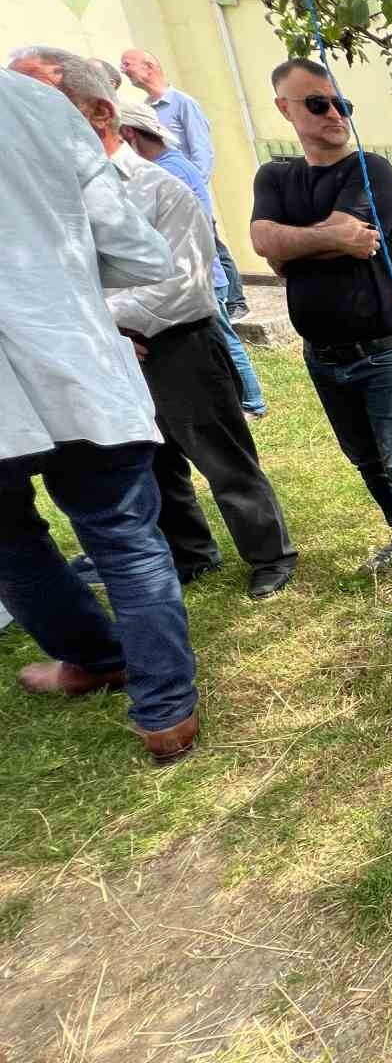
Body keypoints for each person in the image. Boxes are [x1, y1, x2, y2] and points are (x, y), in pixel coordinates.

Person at [11, 47, 297, 600]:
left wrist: (107, 321)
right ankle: (190, 553)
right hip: (109, 351)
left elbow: (183, 283)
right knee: (154, 460)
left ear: (97, 112)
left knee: (222, 458)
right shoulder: (46, 192)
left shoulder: (159, 189)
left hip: (177, 346)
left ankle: (269, 554)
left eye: (41, 99)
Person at [0, 66, 200, 764]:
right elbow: (140, 253)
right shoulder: (31, 107)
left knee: (8, 541)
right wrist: (64, 281)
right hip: (72, 358)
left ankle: (94, 656)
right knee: (123, 539)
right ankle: (166, 712)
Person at [251, 57, 392, 606]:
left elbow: (357, 238)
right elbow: (262, 243)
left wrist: (291, 243)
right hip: (320, 352)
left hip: (384, 347)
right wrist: (321, 239)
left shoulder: (372, 170)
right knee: (364, 458)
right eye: (318, 103)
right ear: (285, 108)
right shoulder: (274, 176)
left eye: (342, 103)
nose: (335, 113)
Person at [119, 101, 269, 420]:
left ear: (129, 133)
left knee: (225, 340)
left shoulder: (166, 173)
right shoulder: (171, 165)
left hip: (199, 279)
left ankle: (252, 402)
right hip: (202, 275)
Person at [120, 47, 248, 318]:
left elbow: (202, 150)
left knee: (211, 247)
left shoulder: (182, 103)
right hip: (168, 188)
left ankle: (235, 299)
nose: (123, 69)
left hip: (185, 188)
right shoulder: (145, 109)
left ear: (149, 66)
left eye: (127, 64)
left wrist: (191, 193)